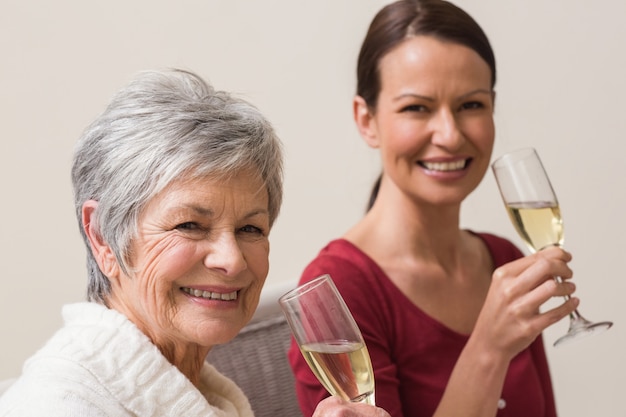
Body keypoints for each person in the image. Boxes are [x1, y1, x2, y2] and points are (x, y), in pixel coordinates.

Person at [0, 69, 390, 417]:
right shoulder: (60, 406)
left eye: (250, 229)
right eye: (189, 225)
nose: (232, 260)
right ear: (102, 236)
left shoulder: (200, 392)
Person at [288, 1, 579, 416]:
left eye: (471, 105)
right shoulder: (338, 291)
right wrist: (489, 347)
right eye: (417, 108)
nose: (449, 134)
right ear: (366, 119)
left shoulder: (503, 261)